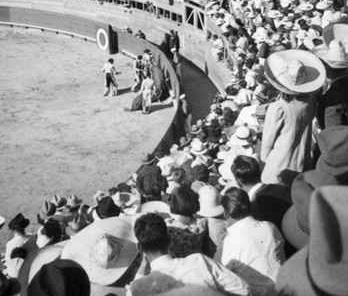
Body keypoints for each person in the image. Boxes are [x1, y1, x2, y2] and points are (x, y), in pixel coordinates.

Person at [129, 213, 251, 296]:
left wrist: (142, 267)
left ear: (140, 248)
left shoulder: (139, 288)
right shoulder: (199, 261)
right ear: (169, 239)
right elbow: (244, 289)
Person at [260, 50, 326, 184]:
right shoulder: (311, 102)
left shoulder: (278, 108)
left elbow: (268, 140)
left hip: (280, 162)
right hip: (303, 160)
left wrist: (265, 159)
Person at [221, 187, 285, 296]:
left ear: (226, 213)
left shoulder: (231, 240)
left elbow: (226, 273)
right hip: (285, 285)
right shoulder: (270, 226)